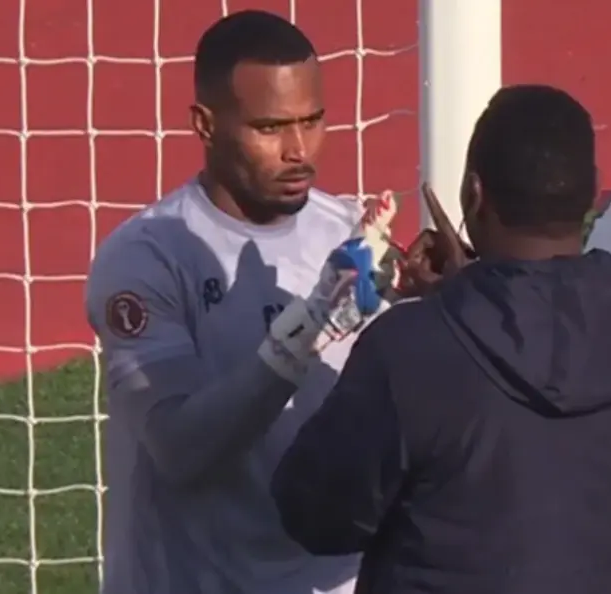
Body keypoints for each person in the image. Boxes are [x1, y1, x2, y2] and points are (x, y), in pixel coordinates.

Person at [270, 84, 611, 594]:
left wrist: (459, 304)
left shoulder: (410, 350)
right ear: (593, 192)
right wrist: (469, 295)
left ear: (473, 195)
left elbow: (316, 517)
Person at [84, 10, 400, 594]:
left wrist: (447, 303)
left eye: (313, 121)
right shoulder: (147, 258)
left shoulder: (348, 237)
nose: (299, 150)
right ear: (205, 125)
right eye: (270, 127)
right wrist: (305, 332)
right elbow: (181, 449)